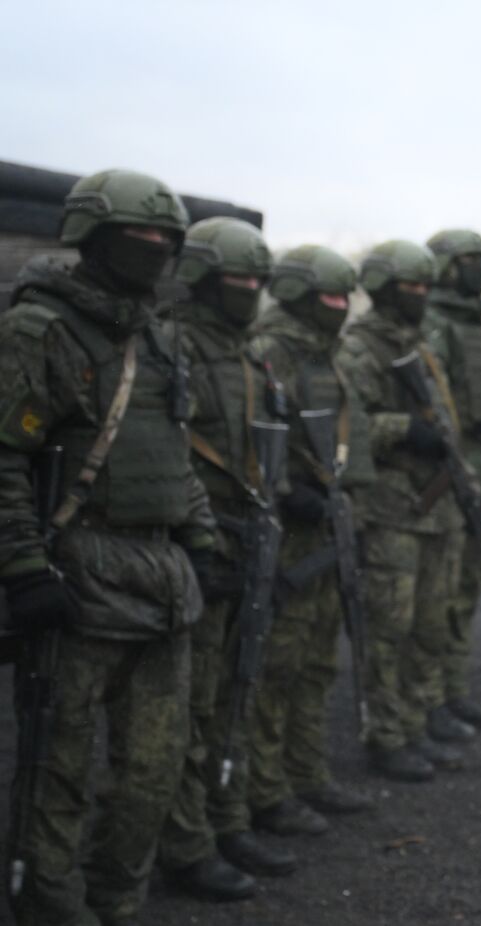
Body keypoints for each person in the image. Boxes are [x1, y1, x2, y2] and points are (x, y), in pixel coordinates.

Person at [0, 169, 218, 926]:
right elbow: (4, 459)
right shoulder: (41, 330)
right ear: (91, 236)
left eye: (168, 239)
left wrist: (204, 537)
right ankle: (51, 909)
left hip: (163, 583)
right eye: (141, 236)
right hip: (76, 575)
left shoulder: (158, 334)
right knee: (54, 771)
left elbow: (175, 451)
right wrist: (24, 567)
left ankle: (116, 898)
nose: (156, 249)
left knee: (152, 770)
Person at [157, 217, 297, 899]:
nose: (249, 290)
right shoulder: (169, 343)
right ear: (200, 278)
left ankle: (227, 814)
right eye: (237, 278)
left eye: (257, 281)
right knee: (195, 701)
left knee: (240, 687)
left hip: (248, 542)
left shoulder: (250, 355)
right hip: (195, 544)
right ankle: (186, 841)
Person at [246, 244, 375, 835]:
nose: (342, 306)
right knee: (278, 666)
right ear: (298, 294)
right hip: (291, 528)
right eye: (330, 296)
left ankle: (307, 773)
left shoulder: (329, 355)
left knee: (319, 662)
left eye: (346, 297)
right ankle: (265, 791)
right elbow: (254, 437)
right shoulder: (271, 349)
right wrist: (286, 490)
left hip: (330, 523)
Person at [337, 239, 470, 782]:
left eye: (425, 287)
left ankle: (415, 725)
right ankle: (386, 737)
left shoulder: (422, 348)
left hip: (436, 506)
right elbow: (349, 425)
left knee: (430, 622)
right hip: (392, 507)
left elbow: (444, 421)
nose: (419, 296)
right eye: (409, 287)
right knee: (390, 626)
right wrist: (403, 429)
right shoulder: (359, 350)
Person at [421, 228, 481, 733]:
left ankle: (452, 690)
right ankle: (430, 698)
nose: (477, 267)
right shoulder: (433, 326)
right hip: (450, 474)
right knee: (440, 593)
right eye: (467, 259)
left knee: (466, 587)